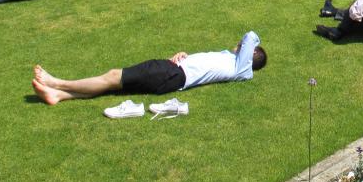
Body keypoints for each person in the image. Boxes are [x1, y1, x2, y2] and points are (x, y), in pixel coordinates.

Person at [31, 31, 265, 109]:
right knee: (114, 86)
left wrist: (250, 46)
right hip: (174, 71)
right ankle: (60, 95)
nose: (239, 45)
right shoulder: (230, 61)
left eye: (245, 48)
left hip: (171, 74)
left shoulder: (242, 69)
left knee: (114, 76)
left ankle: (58, 83)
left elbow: (251, 35)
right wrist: (185, 56)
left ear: (251, 55)